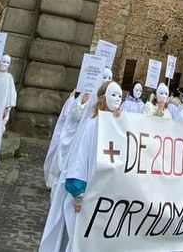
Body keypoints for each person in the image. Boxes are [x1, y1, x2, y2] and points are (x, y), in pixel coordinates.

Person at [39, 81, 123, 252]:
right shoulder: (92, 125)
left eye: (120, 96)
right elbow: (80, 158)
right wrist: (78, 192)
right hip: (85, 194)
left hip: (103, 195)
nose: (117, 99)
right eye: (113, 94)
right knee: (78, 240)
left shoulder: (115, 127)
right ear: (102, 97)